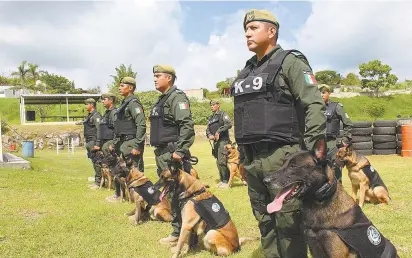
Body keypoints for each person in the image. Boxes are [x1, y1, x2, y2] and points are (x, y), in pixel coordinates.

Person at [230, 9, 326, 258]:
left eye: (253, 28)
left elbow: (314, 105)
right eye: (246, 30)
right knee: (265, 221)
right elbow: (244, 116)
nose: (247, 34)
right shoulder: (247, 71)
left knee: (289, 224)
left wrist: (312, 155)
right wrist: (242, 157)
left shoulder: (290, 62)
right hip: (252, 159)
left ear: (271, 32)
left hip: (283, 156)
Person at [148, 65, 195, 245]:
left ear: (169, 78)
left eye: (158, 76)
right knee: (173, 194)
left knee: (182, 194)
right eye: (154, 76)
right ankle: (178, 231)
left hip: (173, 153)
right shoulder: (161, 100)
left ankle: (183, 234)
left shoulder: (177, 97)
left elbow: (186, 125)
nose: (154, 79)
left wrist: (180, 151)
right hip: (163, 153)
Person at [106, 77, 146, 203]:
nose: (119, 88)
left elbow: (141, 124)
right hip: (123, 144)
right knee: (123, 172)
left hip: (132, 142)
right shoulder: (124, 104)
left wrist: (138, 145)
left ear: (130, 88)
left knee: (136, 172)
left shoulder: (134, 103)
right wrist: (114, 143)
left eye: (122, 85)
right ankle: (123, 196)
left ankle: (141, 199)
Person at [319, 84, 353, 183]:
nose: (321, 95)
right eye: (319, 92)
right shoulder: (314, 108)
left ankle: (339, 190)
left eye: (324, 92)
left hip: (332, 142)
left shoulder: (336, 106)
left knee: (335, 168)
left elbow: (348, 124)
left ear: (329, 93)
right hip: (317, 142)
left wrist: (345, 140)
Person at [206, 99, 232, 188]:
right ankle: (222, 180)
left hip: (223, 140)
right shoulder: (210, 117)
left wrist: (218, 131)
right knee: (218, 161)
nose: (211, 106)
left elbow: (229, 124)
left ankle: (226, 181)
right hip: (215, 142)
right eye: (211, 105)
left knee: (222, 160)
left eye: (213, 105)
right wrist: (209, 135)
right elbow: (207, 129)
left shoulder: (222, 114)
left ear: (218, 105)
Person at [83, 98, 102, 190]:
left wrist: (98, 143)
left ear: (92, 105)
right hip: (89, 141)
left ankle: (98, 183)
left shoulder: (96, 116)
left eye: (87, 104)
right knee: (94, 162)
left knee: (97, 162)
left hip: (93, 141)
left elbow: (99, 130)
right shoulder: (90, 115)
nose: (85, 106)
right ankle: (97, 181)